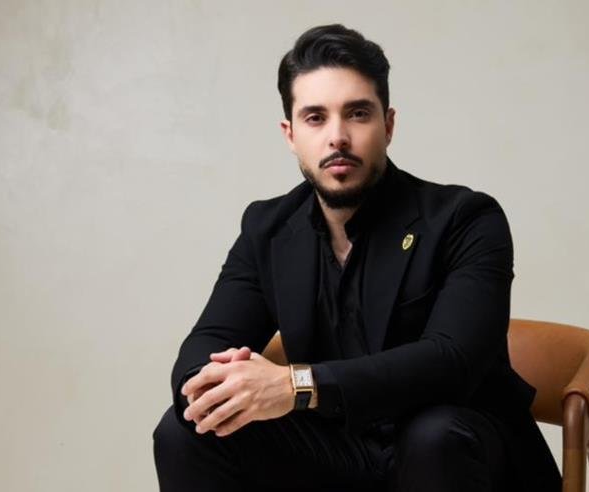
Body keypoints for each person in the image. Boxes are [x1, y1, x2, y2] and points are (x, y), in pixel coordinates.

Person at [153, 24, 561, 491]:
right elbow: (205, 344)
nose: (338, 137)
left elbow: (452, 362)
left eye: (358, 113)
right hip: (341, 454)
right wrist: (215, 386)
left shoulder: (465, 218)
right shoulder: (267, 229)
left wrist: (296, 385)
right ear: (290, 134)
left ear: (388, 125)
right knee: (187, 431)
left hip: (460, 453)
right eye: (315, 118)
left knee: (433, 437)